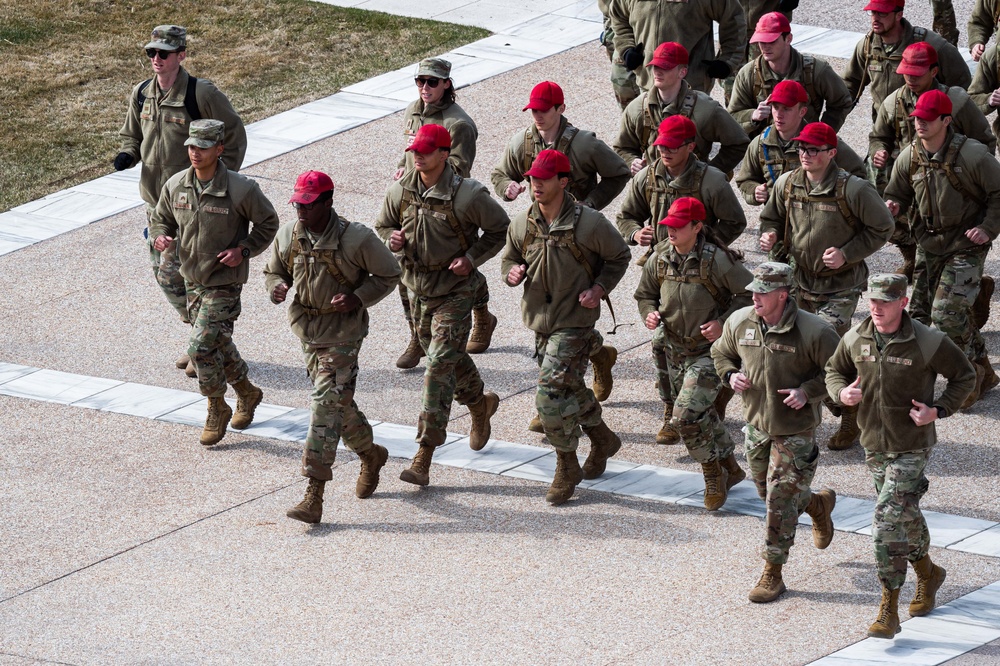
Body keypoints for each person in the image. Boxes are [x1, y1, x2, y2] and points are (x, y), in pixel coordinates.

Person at [825, 274, 975, 638]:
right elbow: (833, 371)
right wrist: (841, 394)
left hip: (912, 445)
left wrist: (937, 411)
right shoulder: (856, 338)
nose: (876, 307)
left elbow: (965, 376)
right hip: (874, 444)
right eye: (872, 300)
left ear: (902, 303)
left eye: (885, 301)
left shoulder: (927, 341)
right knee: (905, 514)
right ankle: (928, 572)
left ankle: (888, 607)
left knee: (886, 521)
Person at [264, 171, 401, 524]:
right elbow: (273, 269)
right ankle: (371, 454)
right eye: (298, 204)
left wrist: (357, 297)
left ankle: (314, 494)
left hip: (343, 333)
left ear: (328, 202)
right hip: (307, 331)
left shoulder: (356, 238)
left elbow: (389, 273)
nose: (301, 212)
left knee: (325, 404)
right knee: (337, 404)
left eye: (309, 205)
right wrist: (277, 286)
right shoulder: (291, 235)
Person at [376, 124, 509, 486]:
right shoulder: (401, 190)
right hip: (417, 288)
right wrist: (392, 238)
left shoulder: (468, 195)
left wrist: (472, 258)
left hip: (454, 290)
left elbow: (500, 229)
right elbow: (382, 224)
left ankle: (424, 453)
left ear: (444, 155)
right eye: (415, 149)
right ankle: (480, 404)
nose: (417, 155)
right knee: (445, 356)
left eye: (426, 150)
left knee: (436, 368)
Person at [116, 25, 247, 376]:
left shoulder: (200, 94)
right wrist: (128, 155)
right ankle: (203, 338)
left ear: (181, 55)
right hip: (157, 202)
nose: (156, 59)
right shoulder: (142, 93)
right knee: (167, 274)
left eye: (164, 53)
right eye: (151, 53)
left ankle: (205, 347)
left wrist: (221, 180)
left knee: (202, 275)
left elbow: (232, 134)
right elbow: (132, 134)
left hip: (195, 202)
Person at [501, 150, 631, 505]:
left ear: (563, 181)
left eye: (544, 178)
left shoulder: (589, 223)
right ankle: (602, 437)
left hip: (574, 322)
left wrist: (600, 288)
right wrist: (510, 272)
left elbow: (619, 256)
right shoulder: (523, 223)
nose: (535, 185)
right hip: (541, 321)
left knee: (549, 394)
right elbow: (510, 256)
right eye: (532, 178)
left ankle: (566, 464)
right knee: (570, 387)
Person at [759, 122, 895, 450]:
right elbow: (771, 217)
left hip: (840, 287)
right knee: (800, 354)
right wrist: (770, 233)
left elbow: (883, 227)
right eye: (802, 148)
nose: (805, 154)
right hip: (800, 283)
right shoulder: (789, 184)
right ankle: (839, 406)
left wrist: (848, 253)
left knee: (823, 350)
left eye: (814, 149)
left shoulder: (854, 189)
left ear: (832, 153)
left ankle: (849, 414)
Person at [491, 81, 628, 405]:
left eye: (543, 109)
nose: (537, 115)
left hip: (580, 238)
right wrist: (507, 187)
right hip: (543, 234)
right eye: (533, 110)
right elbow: (499, 173)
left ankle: (550, 406)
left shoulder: (584, 145)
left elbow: (618, 173)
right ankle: (596, 352)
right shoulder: (522, 143)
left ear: (560, 109)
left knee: (569, 322)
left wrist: (592, 205)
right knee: (555, 323)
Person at [711, 262, 840, 604]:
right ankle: (816, 504)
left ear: (783, 295)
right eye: (753, 290)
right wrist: (729, 375)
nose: (755, 296)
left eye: (763, 292)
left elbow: (840, 371)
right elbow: (720, 352)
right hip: (756, 425)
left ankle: (773, 572)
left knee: (778, 501)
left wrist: (808, 392)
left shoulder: (816, 331)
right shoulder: (741, 321)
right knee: (765, 490)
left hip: (796, 429)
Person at [617, 115, 747, 443]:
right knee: (663, 340)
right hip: (664, 267)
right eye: (661, 145)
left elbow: (735, 222)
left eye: (673, 147)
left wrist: (706, 246)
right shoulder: (647, 177)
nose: (665, 151)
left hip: (703, 269)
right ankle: (669, 406)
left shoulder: (712, 181)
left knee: (704, 332)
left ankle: (712, 389)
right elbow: (625, 215)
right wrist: (636, 233)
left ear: (691, 147)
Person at [149, 119, 278, 447]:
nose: (195, 153)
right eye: (191, 147)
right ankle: (248, 393)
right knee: (217, 342)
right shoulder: (176, 184)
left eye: (202, 148)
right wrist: (161, 235)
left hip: (224, 284)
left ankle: (216, 405)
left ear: (219, 149)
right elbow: (161, 218)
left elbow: (268, 222)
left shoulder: (241, 188)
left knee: (200, 347)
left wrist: (244, 250)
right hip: (193, 280)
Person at [634, 197, 753, 510]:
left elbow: (751, 297)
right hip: (674, 349)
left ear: (697, 227)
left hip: (711, 353)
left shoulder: (717, 261)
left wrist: (723, 322)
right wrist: (649, 313)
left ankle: (712, 473)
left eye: (678, 226)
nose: (670, 231)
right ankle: (730, 466)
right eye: (668, 226)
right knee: (701, 412)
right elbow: (645, 294)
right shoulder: (659, 256)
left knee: (685, 416)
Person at [884, 89, 1000, 408]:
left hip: (966, 243)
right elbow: (898, 192)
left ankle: (970, 372)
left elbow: (998, 194)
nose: (920, 123)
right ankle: (986, 370)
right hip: (929, 243)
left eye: (927, 119)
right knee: (917, 317)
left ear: (946, 121)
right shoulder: (910, 156)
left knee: (946, 313)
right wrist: (894, 205)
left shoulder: (973, 155)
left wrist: (987, 228)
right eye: (917, 118)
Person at [390, 58, 497, 369]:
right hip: (412, 198)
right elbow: (411, 147)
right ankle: (416, 334)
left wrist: (425, 176)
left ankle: (481, 315)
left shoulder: (458, 125)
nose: (425, 87)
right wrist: (403, 166)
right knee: (407, 264)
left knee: (458, 267)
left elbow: (458, 169)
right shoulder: (413, 110)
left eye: (432, 82)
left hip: (447, 205)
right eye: (420, 81)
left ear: (447, 83)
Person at [869, 42, 995, 281]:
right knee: (885, 215)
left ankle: (967, 283)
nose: (910, 78)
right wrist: (879, 150)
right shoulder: (893, 102)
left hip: (951, 184)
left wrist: (976, 174)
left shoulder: (956, 102)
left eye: (917, 74)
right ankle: (913, 257)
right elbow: (878, 136)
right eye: (906, 72)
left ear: (934, 72)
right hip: (913, 181)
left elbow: (984, 139)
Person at [614, 42, 750, 178]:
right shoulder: (637, 108)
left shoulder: (705, 108)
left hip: (692, 192)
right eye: (655, 66)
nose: (657, 72)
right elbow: (622, 147)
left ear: (682, 72)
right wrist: (633, 162)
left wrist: (710, 174)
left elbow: (738, 143)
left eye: (665, 67)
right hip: (654, 189)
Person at [736, 80, 866, 208]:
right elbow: (744, 180)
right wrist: (755, 191)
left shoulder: (822, 142)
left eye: (786, 109)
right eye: (775, 107)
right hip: (778, 220)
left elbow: (858, 174)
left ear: (802, 111)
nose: (779, 115)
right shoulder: (760, 144)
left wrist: (834, 199)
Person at [728, 12, 853, 140]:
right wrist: (753, 116)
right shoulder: (748, 74)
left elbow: (842, 101)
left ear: (788, 39)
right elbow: (732, 116)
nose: (765, 47)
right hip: (765, 151)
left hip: (805, 150)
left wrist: (820, 135)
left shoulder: (815, 70)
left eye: (771, 41)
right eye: (761, 41)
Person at [843, 0, 971, 123]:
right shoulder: (867, 46)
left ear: (898, 15)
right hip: (884, 130)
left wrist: (944, 121)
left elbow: (962, 83)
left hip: (923, 130)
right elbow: (849, 83)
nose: (875, 18)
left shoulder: (929, 44)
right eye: (872, 12)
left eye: (882, 13)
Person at [608, 0, 746, 96]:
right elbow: (618, 18)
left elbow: (734, 19)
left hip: (691, 87)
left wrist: (727, 60)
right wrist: (626, 48)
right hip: (648, 84)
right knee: (651, 137)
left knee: (691, 137)